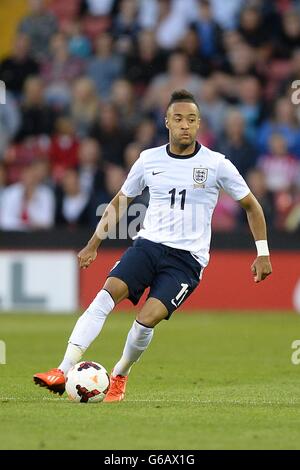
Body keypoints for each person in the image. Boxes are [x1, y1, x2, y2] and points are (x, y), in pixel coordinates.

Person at [33, 90, 272, 401]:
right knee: (105, 296)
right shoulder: (149, 159)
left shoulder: (217, 164)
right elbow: (121, 201)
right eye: (178, 119)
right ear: (167, 123)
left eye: (191, 119)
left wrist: (263, 253)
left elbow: (252, 206)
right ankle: (62, 370)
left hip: (187, 261)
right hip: (147, 246)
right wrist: (93, 243)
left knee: (147, 319)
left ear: (199, 124)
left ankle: (119, 374)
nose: (184, 125)